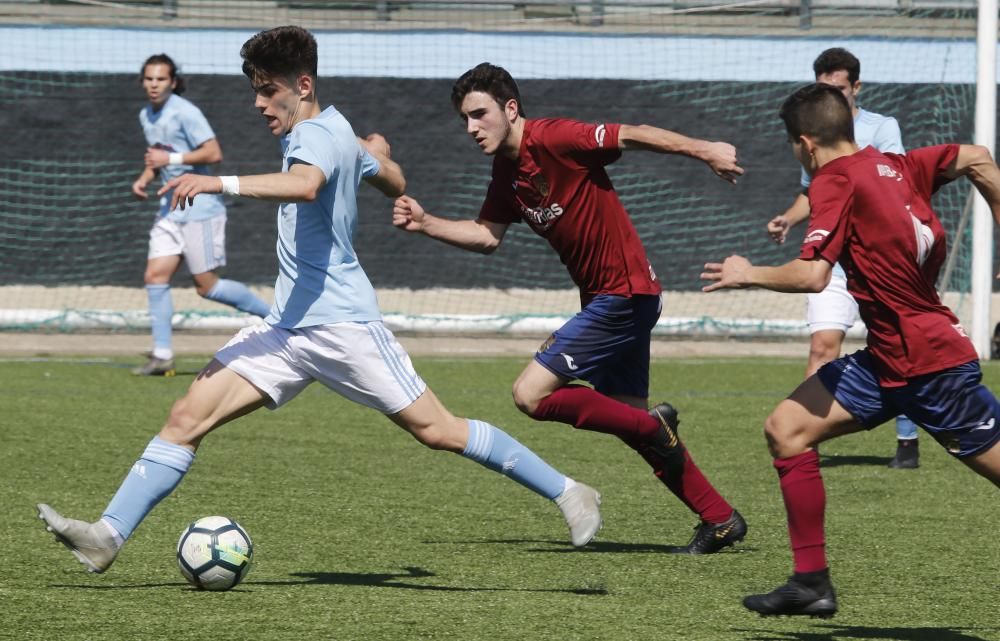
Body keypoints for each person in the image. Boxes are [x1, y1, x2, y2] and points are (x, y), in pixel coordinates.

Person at [37, 26, 602, 575]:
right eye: (255, 89)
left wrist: (216, 182)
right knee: (186, 416)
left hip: (341, 324)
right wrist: (375, 161)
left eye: (268, 89)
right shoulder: (338, 131)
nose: (259, 102)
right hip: (285, 329)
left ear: (302, 85)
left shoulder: (313, 138)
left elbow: (305, 185)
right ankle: (107, 537)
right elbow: (395, 177)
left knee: (437, 430)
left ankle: (570, 489)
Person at [392, 62, 747, 553]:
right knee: (629, 422)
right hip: (613, 298)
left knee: (530, 395)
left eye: (479, 115)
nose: (471, 128)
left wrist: (704, 149)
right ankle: (721, 518)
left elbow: (634, 134)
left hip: (623, 295)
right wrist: (428, 222)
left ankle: (654, 426)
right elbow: (486, 236)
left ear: (510, 109)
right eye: (464, 120)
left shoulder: (556, 137)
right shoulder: (507, 172)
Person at [702, 83, 1000, 617]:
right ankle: (810, 583)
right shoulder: (899, 165)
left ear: (805, 144)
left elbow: (814, 275)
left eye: (794, 147)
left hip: (928, 367)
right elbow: (979, 158)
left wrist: (749, 274)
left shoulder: (832, 180)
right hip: (888, 359)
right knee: (787, 430)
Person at [766, 48, 921, 469]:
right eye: (822, 88)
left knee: (903, 349)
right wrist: (789, 219)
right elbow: (810, 193)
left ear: (856, 88)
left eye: (837, 88)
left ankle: (907, 442)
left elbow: (897, 181)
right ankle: (802, 438)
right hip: (832, 259)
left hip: (880, 260)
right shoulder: (812, 136)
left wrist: (747, 274)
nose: (830, 95)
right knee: (822, 345)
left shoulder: (881, 130)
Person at [131, 53, 271, 377]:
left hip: (199, 208)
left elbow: (213, 153)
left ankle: (277, 318)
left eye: (161, 79)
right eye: (149, 79)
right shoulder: (146, 115)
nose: (154, 85)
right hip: (169, 209)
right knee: (155, 277)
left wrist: (169, 159)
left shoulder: (186, 112)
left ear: (174, 82)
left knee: (206, 287)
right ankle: (162, 355)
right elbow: (159, 158)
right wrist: (144, 179)